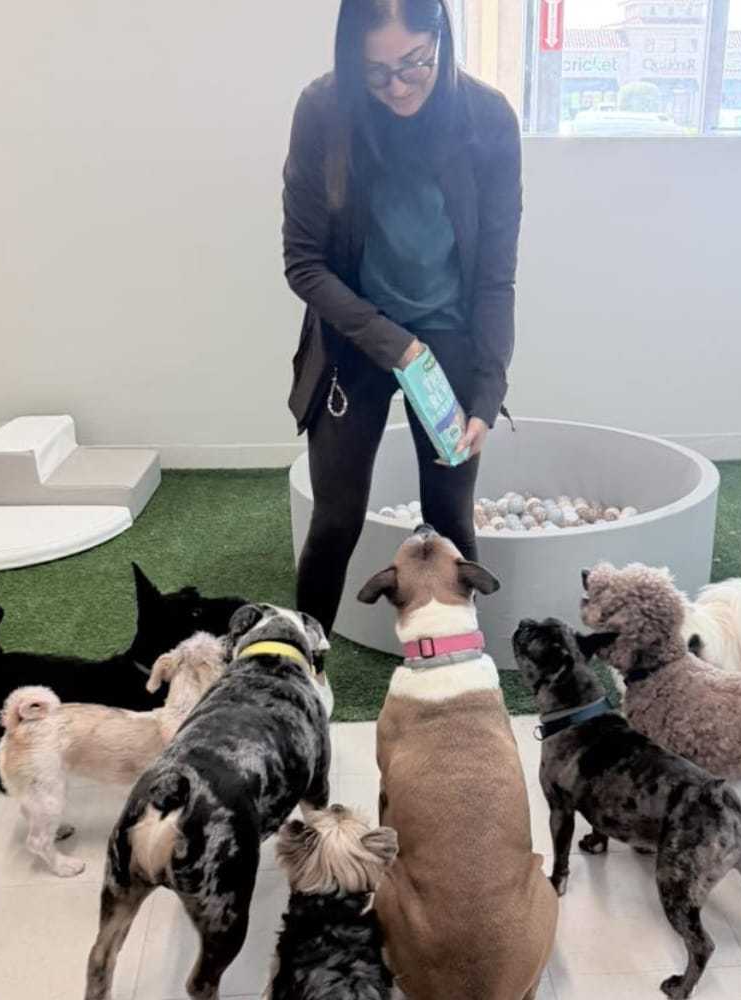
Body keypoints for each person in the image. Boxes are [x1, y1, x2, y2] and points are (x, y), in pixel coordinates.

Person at [283, 0, 523, 635]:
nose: (396, 85)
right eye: (375, 71)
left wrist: (486, 391)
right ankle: (297, 679)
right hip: (354, 336)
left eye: (414, 62)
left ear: (440, 38)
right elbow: (303, 264)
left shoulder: (488, 118)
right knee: (335, 520)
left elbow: (497, 276)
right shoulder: (324, 110)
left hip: (450, 341)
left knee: (450, 521)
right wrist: (396, 345)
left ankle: (464, 675)